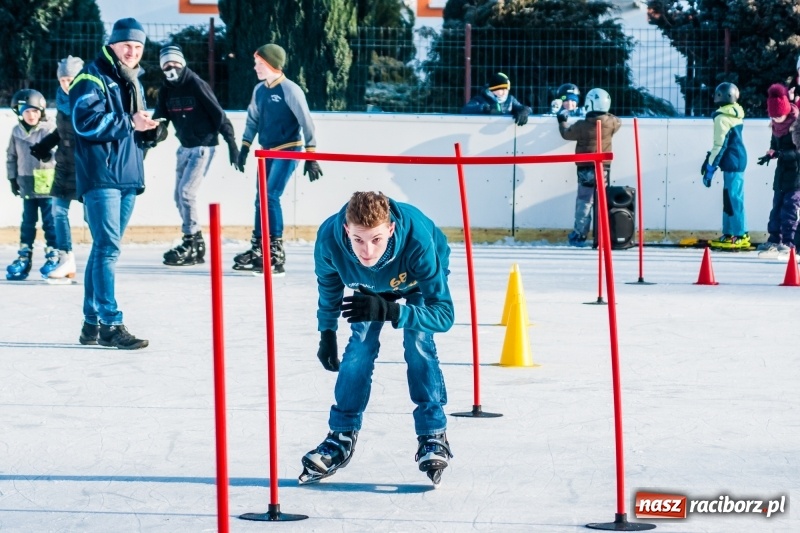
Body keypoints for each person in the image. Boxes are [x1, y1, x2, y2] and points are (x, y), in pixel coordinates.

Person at [300, 191, 455, 486]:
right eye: (358, 239)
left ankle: (433, 432)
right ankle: (341, 435)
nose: (367, 251)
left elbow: (444, 315)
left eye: (376, 239)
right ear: (347, 230)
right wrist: (327, 331)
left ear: (390, 230)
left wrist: (392, 310)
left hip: (416, 280)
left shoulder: (418, 240)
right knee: (359, 347)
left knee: (418, 343)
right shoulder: (329, 240)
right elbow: (329, 288)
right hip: (370, 286)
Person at [70, 17, 159, 349]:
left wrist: (150, 134)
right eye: (127, 45)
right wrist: (130, 121)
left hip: (127, 176)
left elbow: (133, 128)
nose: (132, 52)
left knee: (102, 249)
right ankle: (110, 323)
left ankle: (91, 323)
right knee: (108, 249)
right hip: (101, 176)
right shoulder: (91, 77)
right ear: (112, 45)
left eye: (138, 47)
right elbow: (85, 123)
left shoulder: (132, 81)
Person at [232, 43, 323, 276]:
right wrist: (244, 147)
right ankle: (259, 248)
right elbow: (252, 120)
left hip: (289, 149)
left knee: (271, 196)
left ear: (272, 64)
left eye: (259, 64)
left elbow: (306, 121)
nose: (255, 67)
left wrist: (311, 155)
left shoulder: (290, 90)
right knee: (259, 198)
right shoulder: (259, 90)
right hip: (266, 151)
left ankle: (275, 250)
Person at [152, 44, 240, 266]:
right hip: (184, 148)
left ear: (182, 64)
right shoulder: (166, 89)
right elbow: (161, 119)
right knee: (178, 196)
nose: (171, 68)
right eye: (166, 65)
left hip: (204, 146)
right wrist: (149, 139)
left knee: (186, 193)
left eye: (174, 64)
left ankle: (192, 240)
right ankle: (195, 242)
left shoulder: (195, 84)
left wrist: (231, 142)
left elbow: (217, 113)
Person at [29, 56, 85, 282]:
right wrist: (44, 146)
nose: (66, 84)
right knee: (58, 211)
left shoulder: (90, 99)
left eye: (70, 79)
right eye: (62, 79)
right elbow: (61, 132)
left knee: (93, 216)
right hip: (64, 165)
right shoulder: (62, 100)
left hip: (86, 166)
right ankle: (66, 258)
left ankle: (101, 260)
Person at [556, 88, 622, 246]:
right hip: (604, 168)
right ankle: (601, 235)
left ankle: (580, 234)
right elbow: (618, 121)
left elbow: (566, 133)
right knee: (602, 201)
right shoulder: (612, 122)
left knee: (585, 201)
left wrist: (561, 120)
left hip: (585, 168)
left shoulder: (581, 125)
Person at [5, 89, 57, 281]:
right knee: (27, 222)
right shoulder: (16, 132)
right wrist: (12, 178)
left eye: (35, 111)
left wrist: (48, 155)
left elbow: (57, 153)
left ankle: (53, 254)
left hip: (47, 183)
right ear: (19, 113)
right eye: (26, 111)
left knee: (50, 222)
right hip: (26, 182)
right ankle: (24, 256)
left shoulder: (49, 128)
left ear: (41, 111)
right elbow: (11, 156)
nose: (31, 115)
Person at [701, 82, 749, 250]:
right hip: (734, 160)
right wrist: (711, 161)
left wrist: (710, 168)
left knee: (734, 198)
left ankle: (741, 234)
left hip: (734, 161)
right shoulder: (734, 114)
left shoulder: (722, 118)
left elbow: (719, 145)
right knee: (728, 198)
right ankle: (729, 233)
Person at [755, 84, 800, 259]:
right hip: (781, 174)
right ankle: (774, 240)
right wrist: (771, 154)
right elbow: (775, 145)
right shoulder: (775, 125)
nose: (777, 120)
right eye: (773, 117)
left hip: (796, 176)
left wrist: (780, 154)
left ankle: (789, 244)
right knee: (776, 208)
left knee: (789, 209)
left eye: (779, 116)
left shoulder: (797, 124)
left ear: (786, 112)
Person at [461, 72, 530, 126]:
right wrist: (485, 109)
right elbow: (465, 110)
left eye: (506, 89)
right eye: (502, 89)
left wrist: (524, 111)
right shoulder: (480, 99)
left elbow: (525, 108)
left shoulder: (510, 100)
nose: (504, 92)